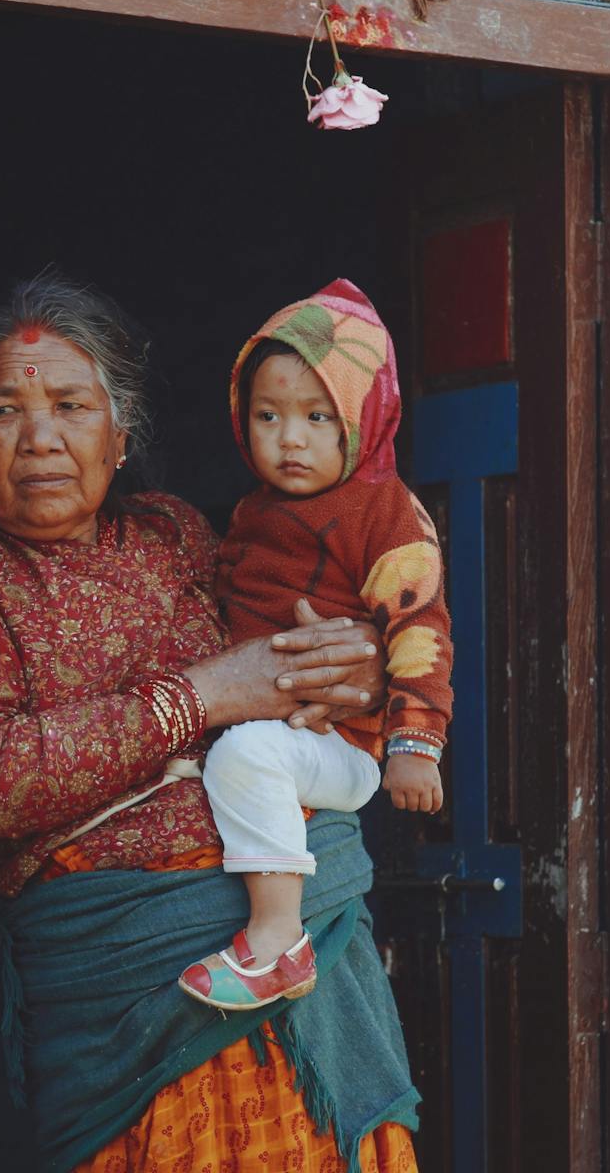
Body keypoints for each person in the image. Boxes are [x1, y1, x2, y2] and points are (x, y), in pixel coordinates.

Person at [0, 271, 422, 1172]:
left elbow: (301, 641)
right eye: (5, 410)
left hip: (304, 963)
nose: (40, 439)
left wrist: (363, 670)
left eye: (72, 405)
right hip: (126, 994)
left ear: (122, 436)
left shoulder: (179, 535)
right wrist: (201, 697)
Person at [177, 280, 452, 1012]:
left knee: (245, 756)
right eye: (268, 416)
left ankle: (277, 943)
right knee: (234, 752)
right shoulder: (253, 512)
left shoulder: (386, 511)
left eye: (317, 417)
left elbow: (421, 628)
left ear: (364, 419)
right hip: (275, 731)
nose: (289, 438)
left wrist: (413, 745)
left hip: (346, 747)